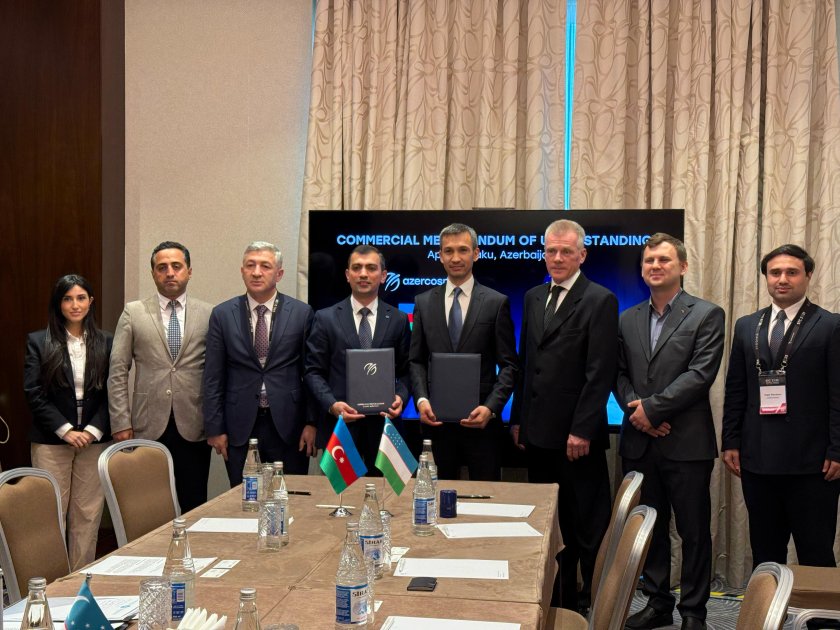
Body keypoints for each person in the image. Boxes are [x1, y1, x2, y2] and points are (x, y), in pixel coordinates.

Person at [616, 233, 725, 630]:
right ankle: (658, 603)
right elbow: (619, 373)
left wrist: (652, 409)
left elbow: (700, 374)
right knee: (650, 528)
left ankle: (694, 611)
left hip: (687, 443)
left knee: (693, 531)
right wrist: (637, 411)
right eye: (649, 261)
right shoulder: (627, 318)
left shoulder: (707, 314)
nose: (655, 266)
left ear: (682, 266)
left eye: (663, 260)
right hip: (639, 442)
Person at [510, 219, 616, 612]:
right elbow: (527, 365)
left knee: (586, 528)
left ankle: (595, 605)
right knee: (551, 527)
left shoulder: (600, 299)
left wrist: (582, 429)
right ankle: (559, 601)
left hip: (577, 440)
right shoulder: (533, 296)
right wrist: (518, 419)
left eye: (566, 251)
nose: (557, 258)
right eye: (551, 250)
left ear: (581, 255)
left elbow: (600, 372)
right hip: (538, 436)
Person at [722, 244, 840, 569]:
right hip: (758, 461)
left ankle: (817, 608)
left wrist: (837, 449)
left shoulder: (830, 325)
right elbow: (736, 389)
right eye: (775, 273)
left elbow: (838, 394)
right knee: (766, 554)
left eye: (792, 272)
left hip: (813, 465)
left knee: (815, 554)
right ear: (766, 278)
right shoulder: (747, 325)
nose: (782, 279)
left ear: (808, 275)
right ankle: (769, 603)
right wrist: (730, 441)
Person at [108, 241, 213, 513]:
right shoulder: (133, 312)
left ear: (189, 271)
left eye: (176, 266)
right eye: (162, 267)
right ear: (153, 273)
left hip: (194, 423)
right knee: (150, 506)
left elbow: (217, 373)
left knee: (193, 503)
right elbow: (117, 370)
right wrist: (120, 421)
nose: (170, 273)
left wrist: (216, 422)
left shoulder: (209, 314)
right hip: (147, 424)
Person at [408, 223, 518, 481]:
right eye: (448, 251)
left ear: (476, 254)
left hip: (482, 426)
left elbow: (509, 365)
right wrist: (421, 400)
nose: (455, 258)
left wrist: (490, 408)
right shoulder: (423, 302)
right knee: (435, 497)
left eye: (463, 250)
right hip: (436, 424)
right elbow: (416, 361)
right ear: (440, 255)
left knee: (486, 498)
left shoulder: (495, 302)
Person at [203, 241, 316, 484]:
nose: (256, 272)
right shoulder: (222, 314)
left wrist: (311, 423)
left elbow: (310, 372)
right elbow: (213, 375)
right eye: (250, 265)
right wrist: (215, 428)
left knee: (290, 495)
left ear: (279, 274)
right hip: (239, 425)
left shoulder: (302, 313)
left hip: (289, 425)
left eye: (265, 266)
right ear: (242, 270)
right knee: (245, 495)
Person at [23, 274, 113, 570]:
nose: (75, 305)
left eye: (81, 298)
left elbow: (114, 390)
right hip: (52, 440)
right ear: (58, 303)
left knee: (88, 514)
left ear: (91, 301)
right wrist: (65, 430)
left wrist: (92, 429)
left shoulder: (106, 342)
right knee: (51, 513)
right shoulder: (39, 341)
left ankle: (79, 579)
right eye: (67, 298)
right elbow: (33, 392)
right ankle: (50, 582)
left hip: (93, 440)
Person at [304, 245, 411, 470]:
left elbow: (406, 370)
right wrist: (332, 405)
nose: (363, 274)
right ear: (347, 275)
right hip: (341, 426)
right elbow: (313, 372)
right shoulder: (325, 318)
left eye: (371, 268)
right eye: (357, 268)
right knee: (340, 492)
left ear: (383, 275)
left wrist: (401, 397)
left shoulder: (399, 319)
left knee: (385, 491)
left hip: (384, 428)